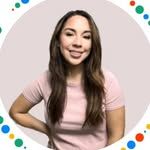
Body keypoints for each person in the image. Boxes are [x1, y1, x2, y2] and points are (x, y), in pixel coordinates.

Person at [9, 10, 125, 150]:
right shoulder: (45, 80)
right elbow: (16, 112)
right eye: (70, 34)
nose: (78, 43)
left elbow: (116, 136)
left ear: (92, 44)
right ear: (58, 40)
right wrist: (47, 130)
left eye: (86, 37)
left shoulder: (108, 81)